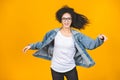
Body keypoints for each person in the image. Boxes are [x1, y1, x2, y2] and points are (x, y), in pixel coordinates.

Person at [23, 6, 107, 80]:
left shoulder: (77, 35)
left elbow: (91, 44)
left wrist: (100, 39)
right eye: (64, 19)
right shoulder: (53, 33)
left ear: (71, 20)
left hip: (70, 69)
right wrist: (31, 46)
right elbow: (43, 44)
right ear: (61, 20)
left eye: (69, 19)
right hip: (55, 69)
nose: (66, 21)